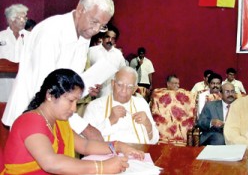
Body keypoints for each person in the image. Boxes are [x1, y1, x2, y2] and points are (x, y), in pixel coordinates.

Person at [2, 0, 114, 140]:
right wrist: (84, 127)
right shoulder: (51, 32)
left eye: (102, 26)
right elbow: (46, 90)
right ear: (80, 10)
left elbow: (68, 80)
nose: (95, 30)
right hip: (28, 116)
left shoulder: (84, 35)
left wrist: (84, 86)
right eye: (94, 21)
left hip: (55, 115)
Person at [1, 68, 144, 174]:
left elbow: (85, 145)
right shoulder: (30, 122)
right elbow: (51, 163)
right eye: (70, 101)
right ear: (50, 95)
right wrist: (101, 167)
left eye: (76, 102)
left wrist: (118, 146)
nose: (74, 108)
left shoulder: (58, 121)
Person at [83, 66, 159, 144]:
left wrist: (148, 124)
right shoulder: (95, 106)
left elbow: (154, 141)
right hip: (106, 154)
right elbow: (85, 141)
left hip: (138, 154)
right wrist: (110, 121)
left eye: (129, 87)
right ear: (112, 84)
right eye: (119, 85)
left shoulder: (141, 104)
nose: (124, 91)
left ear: (134, 89)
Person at [0, 4, 29, 102]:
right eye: (21, 17)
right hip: (4, 86)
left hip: (24, 86)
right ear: (10, 20)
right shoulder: (1, 37)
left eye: (25, 17)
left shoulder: (31, 37)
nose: (24, 20)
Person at [88, 23, 126, 97]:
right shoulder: (91, 51)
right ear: (102, 37)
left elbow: (123, 72)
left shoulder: (118, 54)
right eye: (107, 37)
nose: (110, 40)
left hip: (111, 94)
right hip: (93, 93)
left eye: (113, 38)